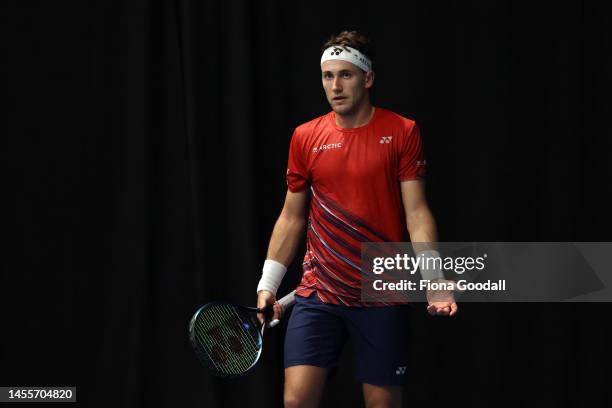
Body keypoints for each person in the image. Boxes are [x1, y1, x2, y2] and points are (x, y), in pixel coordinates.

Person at [256, 30, 459, 408]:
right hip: (318, 294)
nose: (335, 86)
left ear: (368, 78)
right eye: (327, 76)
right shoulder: (305, 137)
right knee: (296, 402)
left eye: (345, 75)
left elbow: (416, 213)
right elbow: (291, 217)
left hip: (381, 292)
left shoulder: (402, 131)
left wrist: (433, 278)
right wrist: (269, 284)